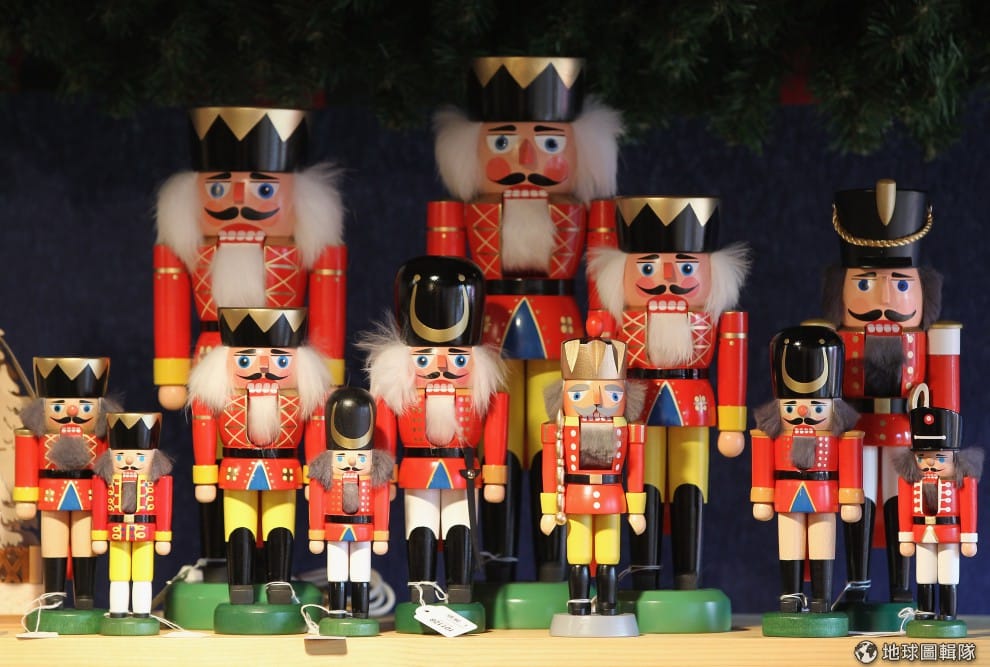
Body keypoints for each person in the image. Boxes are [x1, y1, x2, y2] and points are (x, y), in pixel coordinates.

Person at [429, 57, 622, 581]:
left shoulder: (590, 209)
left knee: (553, 440)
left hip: (562, 331)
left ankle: (553, 566)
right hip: (488, 331)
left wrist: (601, 323)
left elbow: (601, 265)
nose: (527, 157)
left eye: (549, 141)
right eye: (503, 141)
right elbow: (445, 276)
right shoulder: (459, 210)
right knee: (498, 446)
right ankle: (497, 562)